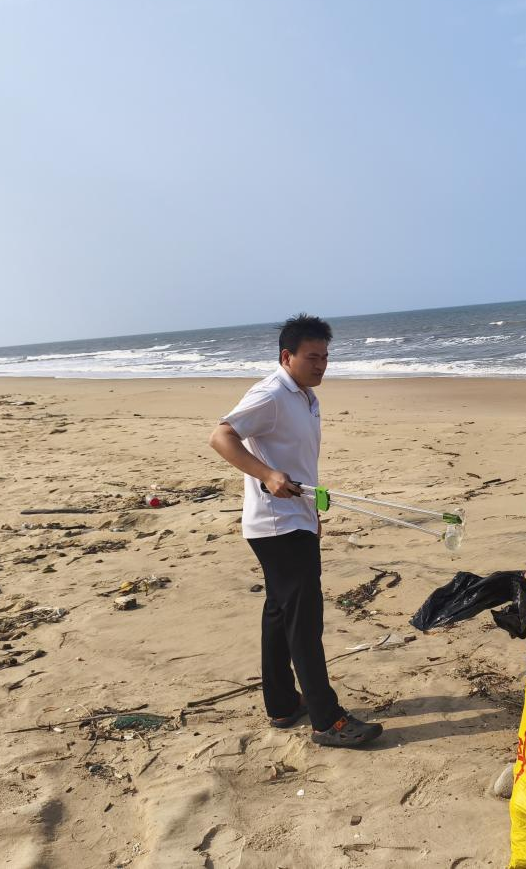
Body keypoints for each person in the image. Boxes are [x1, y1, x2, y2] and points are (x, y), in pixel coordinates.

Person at [208, 314, 383, 748]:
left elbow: (299, 462)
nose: (321, 365)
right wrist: (267, 475)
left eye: (325, 357)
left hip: (295, 519)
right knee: (304, 622)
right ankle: (327, 721)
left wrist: (312, 513)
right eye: (312, 357)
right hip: (276, 526)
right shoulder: (270, 393)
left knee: (280, 613)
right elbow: (221, 436)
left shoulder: (305, 395)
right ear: (287, 356)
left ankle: (283, 704)